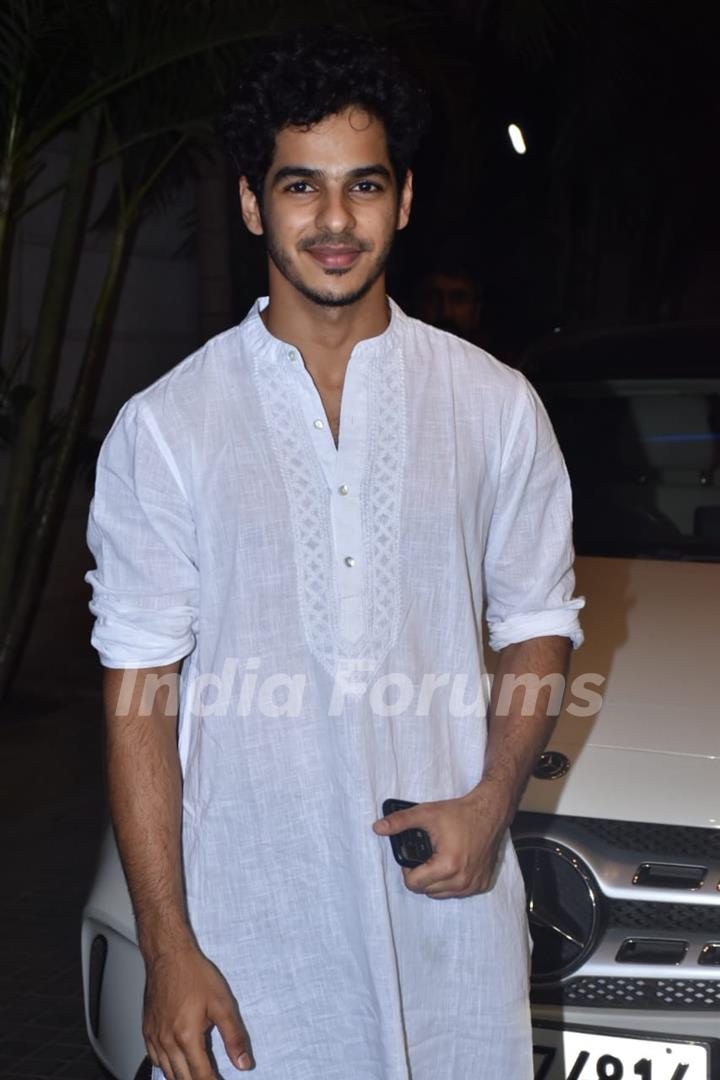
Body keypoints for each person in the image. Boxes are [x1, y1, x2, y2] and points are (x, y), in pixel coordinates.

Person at [85, 29, 584, 1080]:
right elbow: (140, 689)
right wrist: (169, 945)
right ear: (252, 203)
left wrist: (492, 805)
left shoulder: (493, 406)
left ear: (402, 199)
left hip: (449, 913)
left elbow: (537, 621)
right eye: (300, 187)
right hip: (253, 930)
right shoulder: (169, 427)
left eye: (362, 186)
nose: (333, 221)